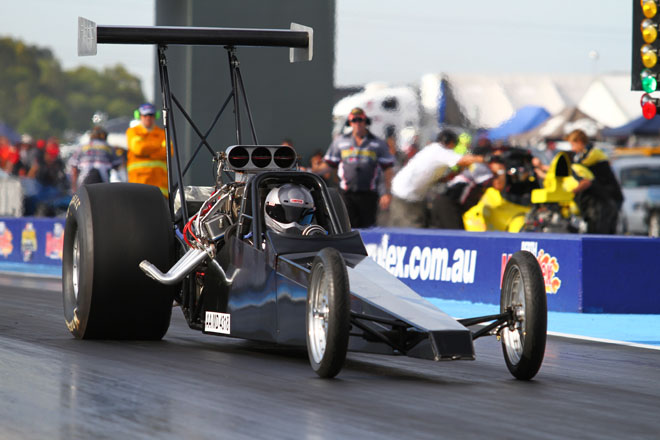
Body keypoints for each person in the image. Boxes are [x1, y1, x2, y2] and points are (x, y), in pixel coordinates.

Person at [389, 129, 484, 228]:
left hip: (409, 195)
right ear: (450, 143)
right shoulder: (440, 151)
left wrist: (450, 176)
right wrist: (485, 158)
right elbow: (463, 160)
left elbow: (435, 176)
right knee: (412, 230)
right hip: (406, 197)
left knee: (418, 226)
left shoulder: (433, 150)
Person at [323, 107, 394, 228]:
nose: (357, 123)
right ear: (350, 123)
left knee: (368, 228)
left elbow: (388, 169)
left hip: (369, 195)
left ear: (365, 121)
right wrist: (310, 171)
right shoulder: (340, 142)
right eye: (354, 120)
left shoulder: (378, 143)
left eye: (360, 120)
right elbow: (329, 165)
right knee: (347, 227)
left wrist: (387, 193)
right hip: (346, 194)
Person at [566, 129, 623, 233]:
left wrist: (571, 191)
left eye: (573, 145)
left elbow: (585, 179)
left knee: (600, 234)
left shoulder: (591, 155)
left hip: (605, 200)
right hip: (605, 200)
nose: (572, 149)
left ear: (579, 141)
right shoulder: (588, 153)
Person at [125, 103, 169, 196]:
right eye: (145, 115)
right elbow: (139, 149)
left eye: (151, 115)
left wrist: (147, 153)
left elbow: (169, 152)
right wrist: (158, 146)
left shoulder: (162, 133)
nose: (148, 118)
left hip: (160, 189)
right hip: (138, 187)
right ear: (139, 116)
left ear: (155, 116)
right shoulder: (132, 131)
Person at [69, 126, 123, 193]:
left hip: (85, 181)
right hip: (103, 181)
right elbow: (117, 166)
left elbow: (74, 167)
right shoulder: (109, 148)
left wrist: (74, 187)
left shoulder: (81, 147)